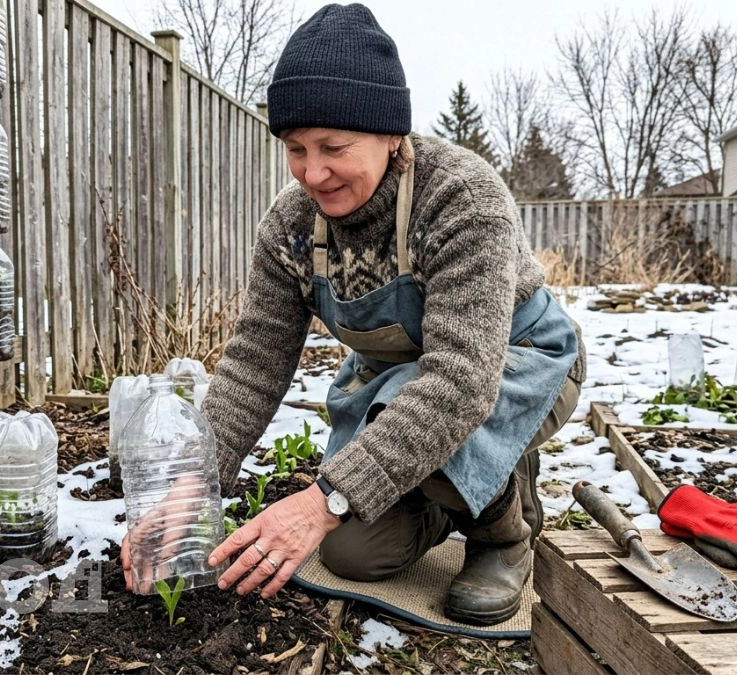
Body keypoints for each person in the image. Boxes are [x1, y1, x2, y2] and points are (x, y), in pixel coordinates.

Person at [121, 2, 585, 626]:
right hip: (396, 384)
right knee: (352, 551)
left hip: (516, 364)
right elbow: (254, 364)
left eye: (334, 147)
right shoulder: (290, 226)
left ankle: (503, 530)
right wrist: (195, 486)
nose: (313, 172)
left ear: (391, 135)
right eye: (295, 149)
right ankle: (446, 490)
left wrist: (325, 499)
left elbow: (460, 381)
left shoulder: (459, 198)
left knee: (396, 459)